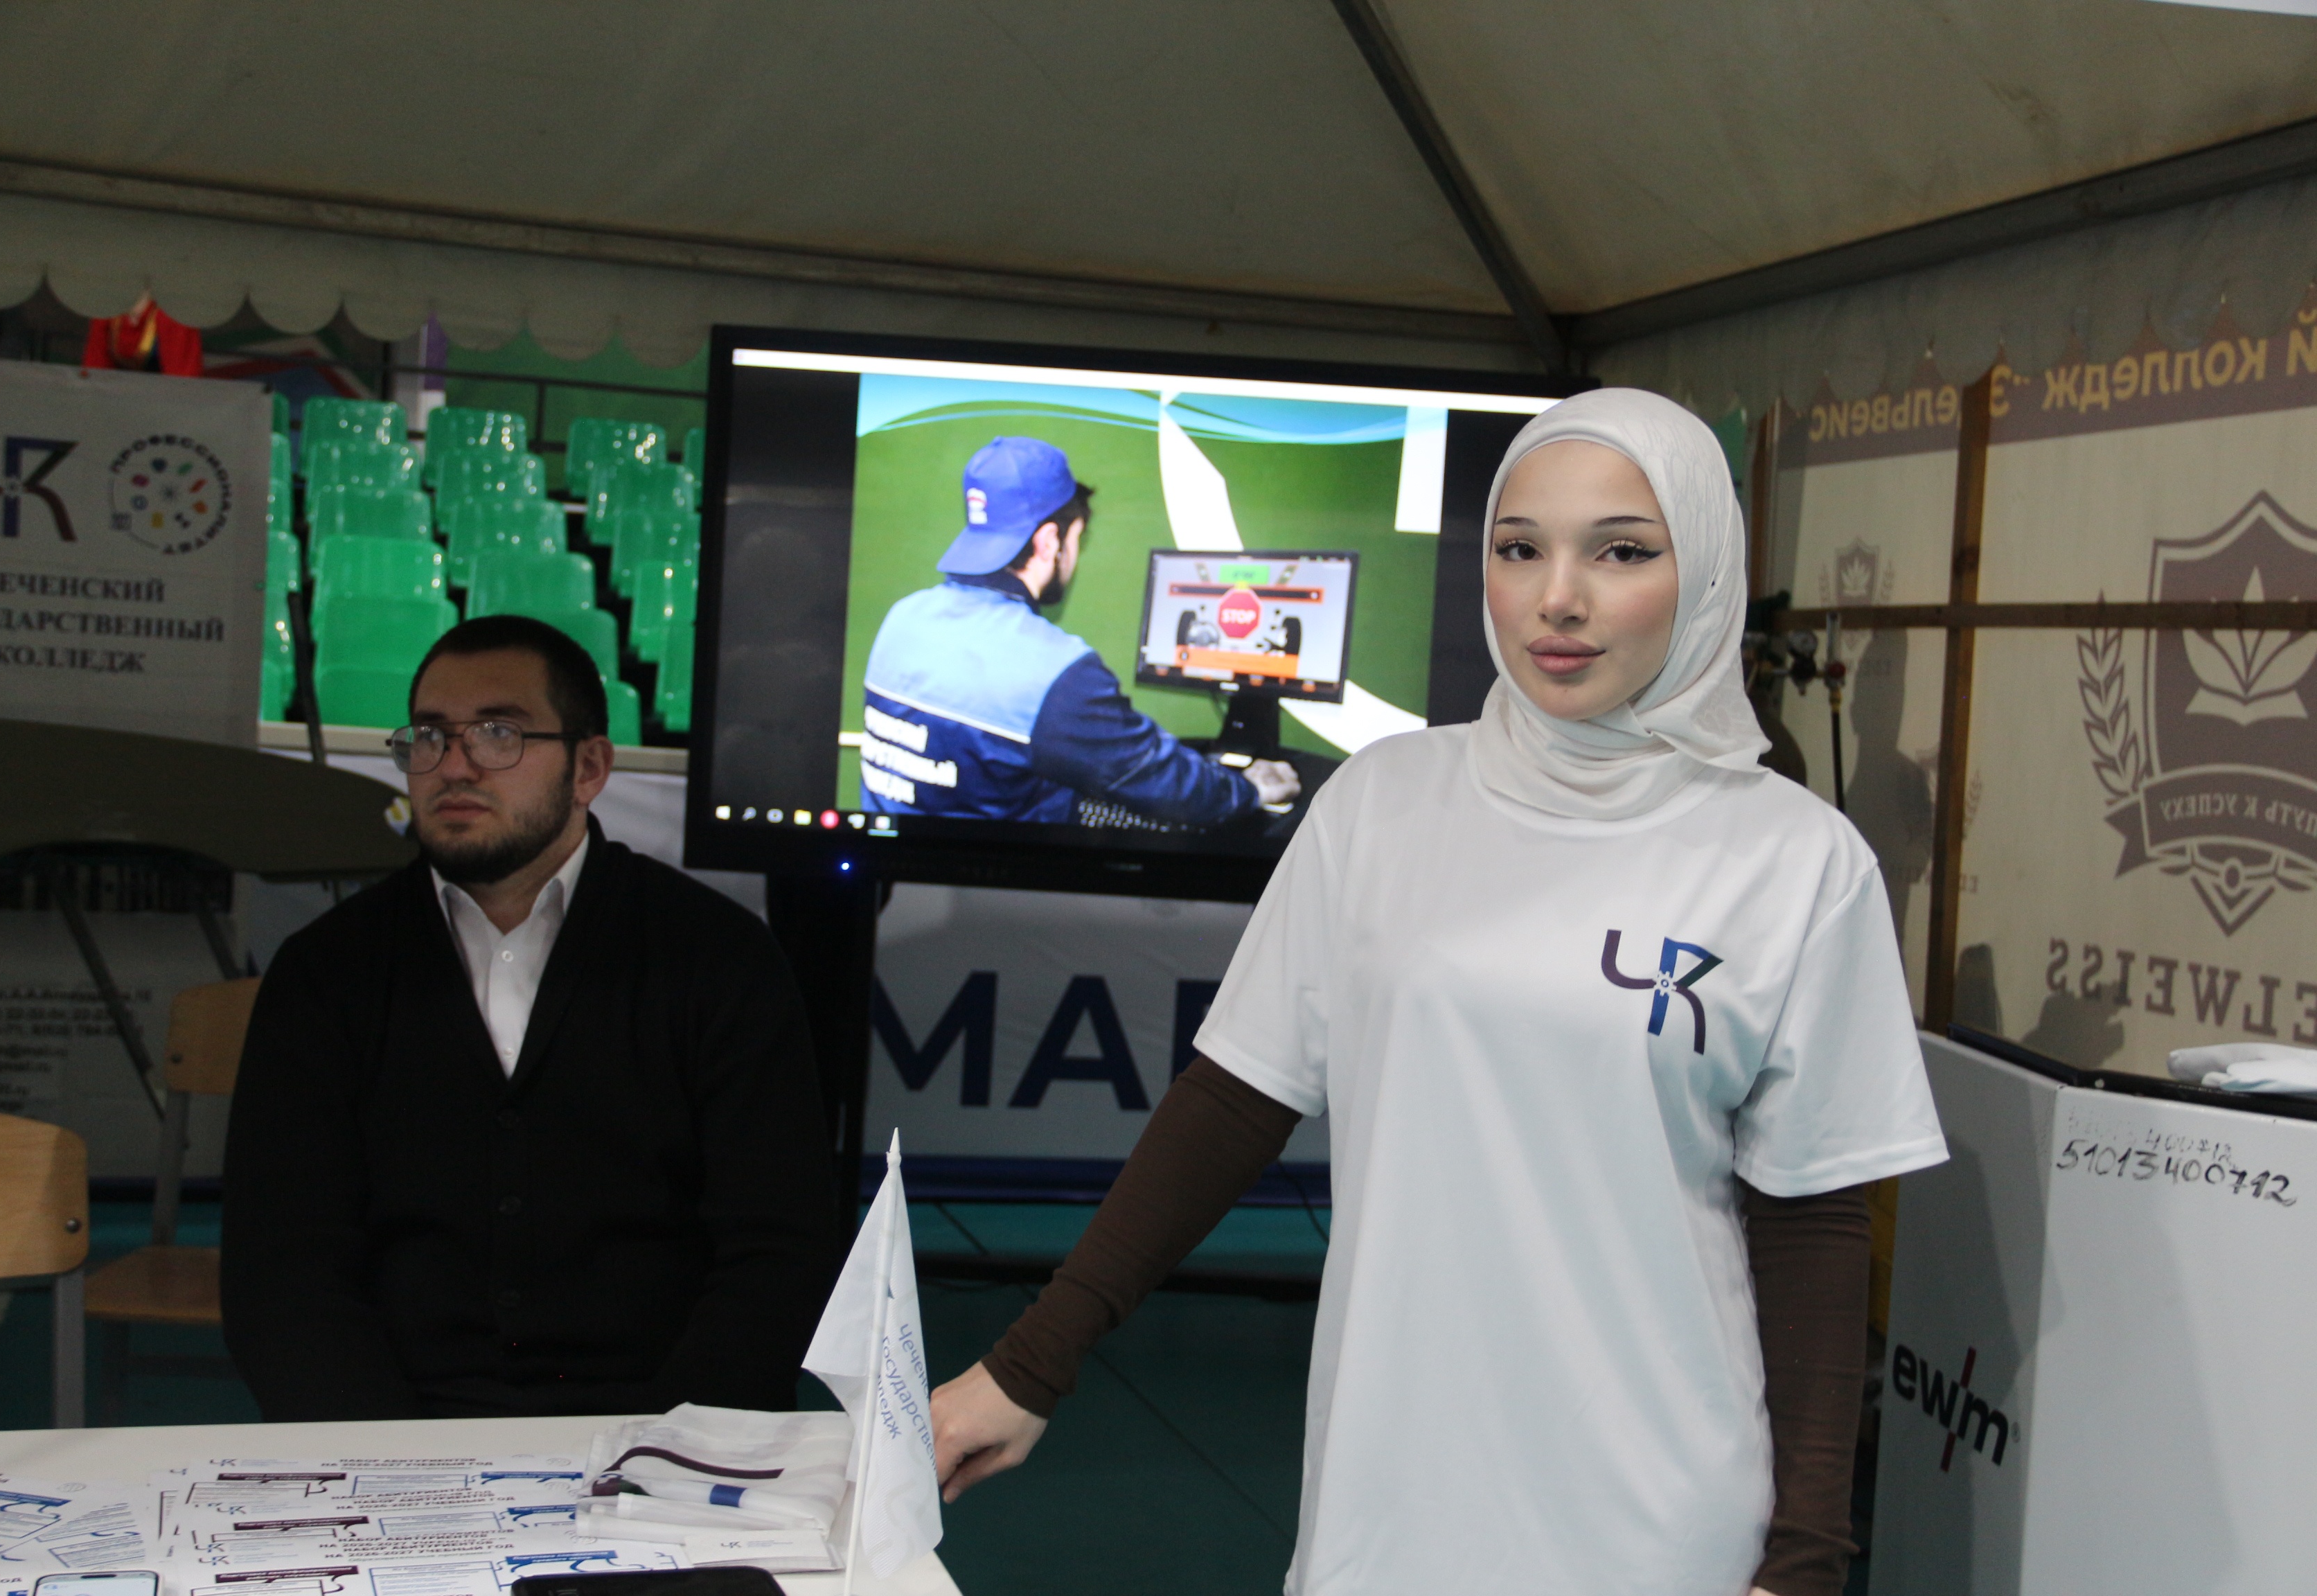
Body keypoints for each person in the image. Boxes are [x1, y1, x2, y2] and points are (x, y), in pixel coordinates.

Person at [927, 391, 1947, 1596]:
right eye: (1520, 547)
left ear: (1708, 571)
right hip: (1390, 1503)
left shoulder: (1798, 862)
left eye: (1622, 551)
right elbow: (1233, 1104)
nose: (1558, 597)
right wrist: (1028, 1364)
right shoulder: (1381, 803)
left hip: (1664, 1524)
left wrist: (1809, 1559)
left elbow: (1812, 1224)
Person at [222, 615, 839, 1419]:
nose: (453, 766)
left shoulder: (719, 958)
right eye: (430, 737)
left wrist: (670, 1455)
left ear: (589, 768)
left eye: (499, 734)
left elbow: (779, 1253)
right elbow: (282, 1268)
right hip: (396, 1437)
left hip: (658, 1436)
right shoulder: (325, 971)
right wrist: (386, 1461)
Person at [859, 435, 1300, 825]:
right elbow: (1166, 784)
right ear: (1050, 542)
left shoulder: (903, 618)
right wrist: (1248, 790)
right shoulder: (1055, 671)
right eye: (1076, 540)